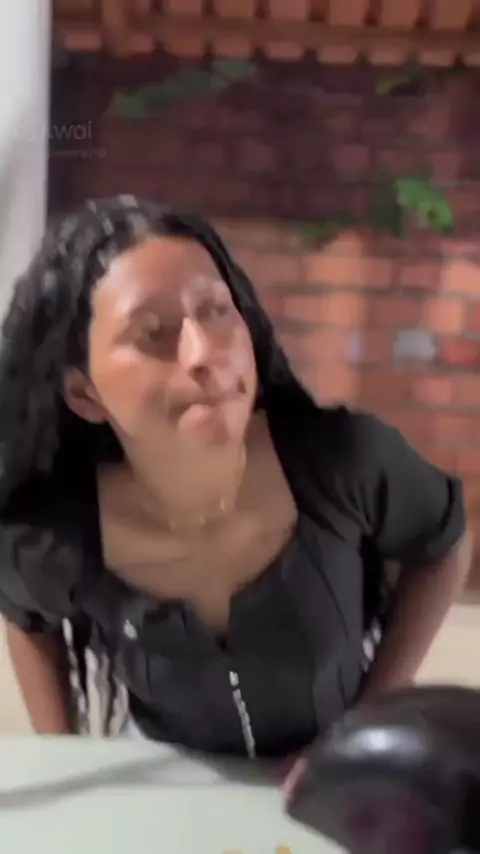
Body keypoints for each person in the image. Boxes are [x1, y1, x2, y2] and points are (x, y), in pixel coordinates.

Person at [0, 195, 471, 757]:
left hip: (332, 782)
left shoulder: (342, 460)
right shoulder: (62, 534)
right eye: (153, 332)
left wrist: (369, 719)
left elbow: (441, 544)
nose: (204, 352)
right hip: (169, 782)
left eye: (217, 311)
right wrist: (64, 752)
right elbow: (25, 613)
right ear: (84, 394)